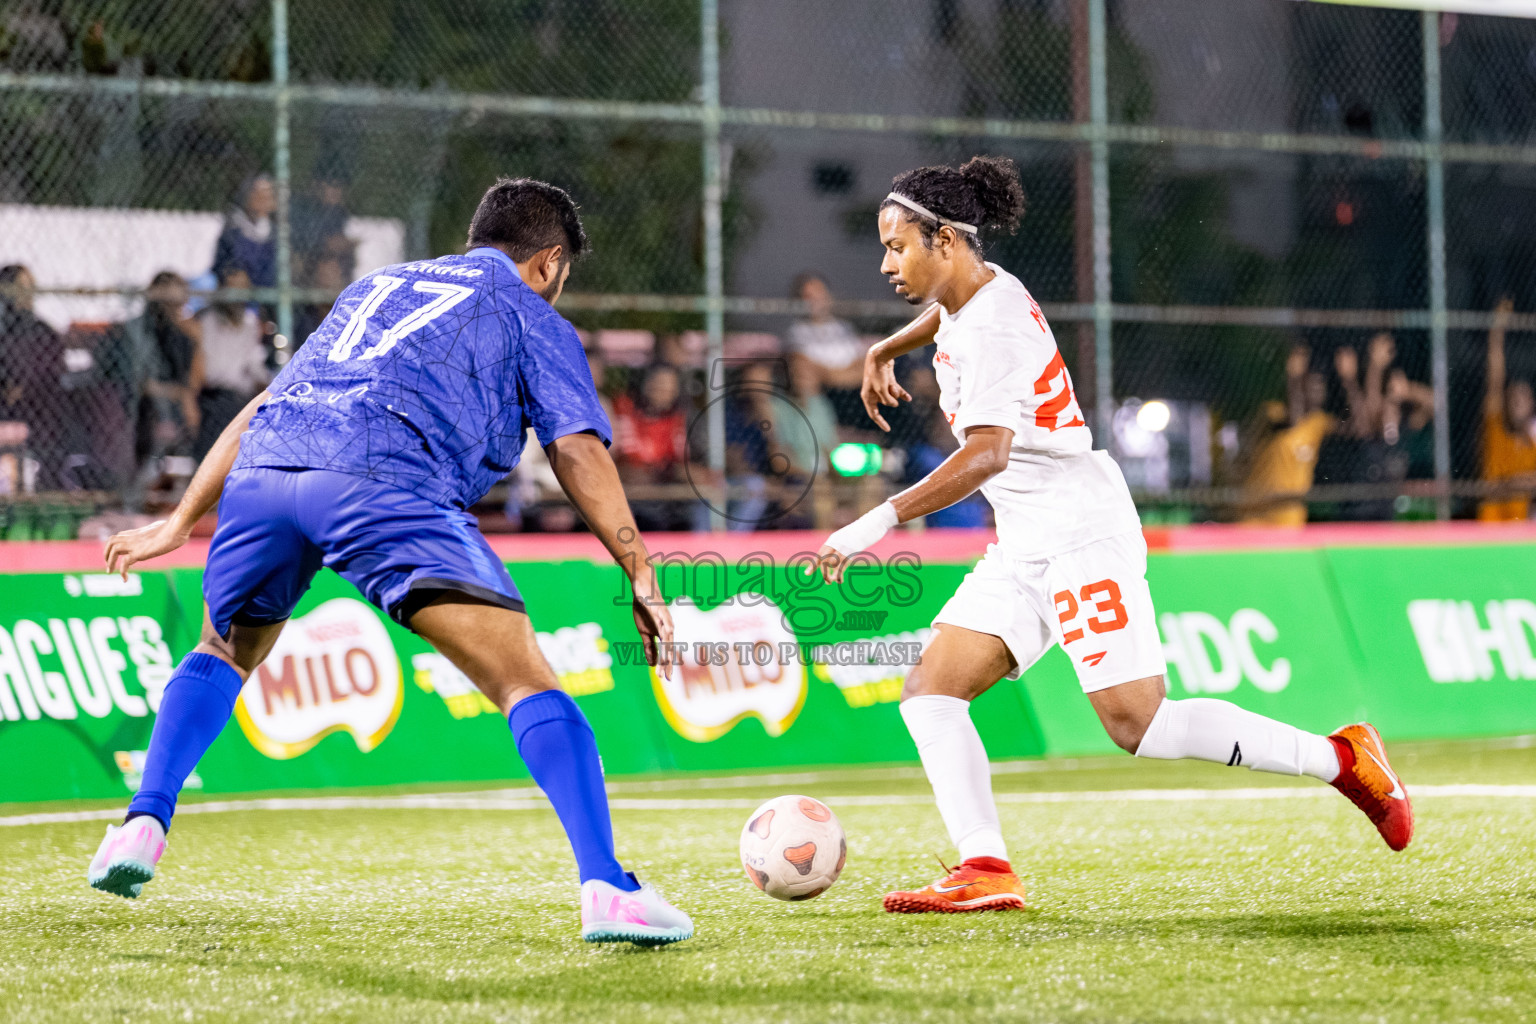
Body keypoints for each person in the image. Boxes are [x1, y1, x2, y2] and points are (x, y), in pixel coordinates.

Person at [87, 177, 694, 946]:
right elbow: (575, 446)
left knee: (221, 649)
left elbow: (265, 402)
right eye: (561, 279)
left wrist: (181, 518)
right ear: (546, 264)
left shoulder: (378, 285)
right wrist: (638, 568)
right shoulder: (525, 311)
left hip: (266, 476)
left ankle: (143, 824)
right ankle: (609, 888)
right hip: (384, 483)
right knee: (524, 681)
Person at [808, 156, 1414, 915]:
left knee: (1139, 724)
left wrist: (875, 520)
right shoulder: (980, 291)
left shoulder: (994, 325)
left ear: (947, 241)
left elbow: (988, 451)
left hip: (1080, 531)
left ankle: (1341, 758)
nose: (886, 261)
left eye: (898, 246)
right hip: (1026, 539)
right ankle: (985, 866)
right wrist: (885, 349)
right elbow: (945, 315)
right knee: (931, 690)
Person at [1240, 345, 1332, 526]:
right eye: (1311, 384)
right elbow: (1293, 422)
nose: (1317, 391)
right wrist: (1294, 377)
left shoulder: (1319, 422)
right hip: (1257, 513)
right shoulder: (1271, 413)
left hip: (1290, 517)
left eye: (1321, 385)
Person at [194, 264, 271, 458]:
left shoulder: (250, 322)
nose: (237, 296)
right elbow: (211, 372)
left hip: (242, 396)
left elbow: (254, 365)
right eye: (232, 288)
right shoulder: (208, 320)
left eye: (242, 288)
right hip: (215, 395)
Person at [0, 264, 67, 487]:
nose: (27, 294)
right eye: (20, 287)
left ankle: (47, 484)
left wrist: (23, 386)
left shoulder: (42, 331)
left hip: (37, 404)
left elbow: (52, 371)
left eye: (30, 287)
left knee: (55, 410)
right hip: (5, 402)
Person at [785, 273, 868, 428]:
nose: (815, 300)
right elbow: (806, 369)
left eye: (819, 293)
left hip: (855, 395)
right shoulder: (797, 332)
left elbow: (865, 366)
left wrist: (829, 375)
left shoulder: (844, 328)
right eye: (808, 296)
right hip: (823, 396)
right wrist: (845, 373)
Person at [1479, 297, 1536, 521]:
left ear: (1532, 403)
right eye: (1512, 395)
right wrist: (1497, 331)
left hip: (1523, 529)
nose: (1517, 400)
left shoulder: (1532, 442)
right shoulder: (1496, 431)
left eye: (1523, 396)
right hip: (1493, 528)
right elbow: (1495, 379)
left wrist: (1516, 482)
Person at [212, 174, 277, 289]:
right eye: (257, 194)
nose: (262, 200)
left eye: (267, 196)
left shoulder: (277, 234)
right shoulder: (231, 231)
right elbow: (220, 266)